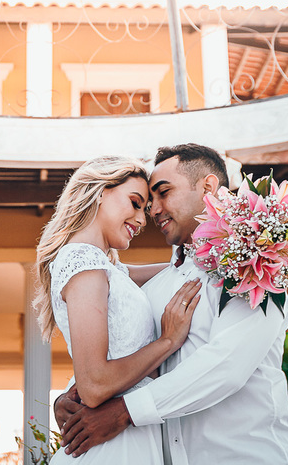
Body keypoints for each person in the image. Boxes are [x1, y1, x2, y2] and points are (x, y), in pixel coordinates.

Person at [55, 143, 288, 464]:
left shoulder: (257, 267)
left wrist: (124, 412)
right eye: (147, 201)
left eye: (163, 192)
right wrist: (73, 398)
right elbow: (127, 354)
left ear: (209, 187)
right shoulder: (154, 289)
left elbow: (226, 366)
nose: (153, 210)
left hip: (245, 455)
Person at [34, 155, 203, 464]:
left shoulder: (106, 267)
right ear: (101, 192)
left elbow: (175, 269)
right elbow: (94, 385)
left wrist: (223, 243)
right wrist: (167, 341)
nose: (142, 220)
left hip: (131, 435)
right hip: (112, 445)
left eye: (145, 208)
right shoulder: (83, 263)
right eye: (135, 203)